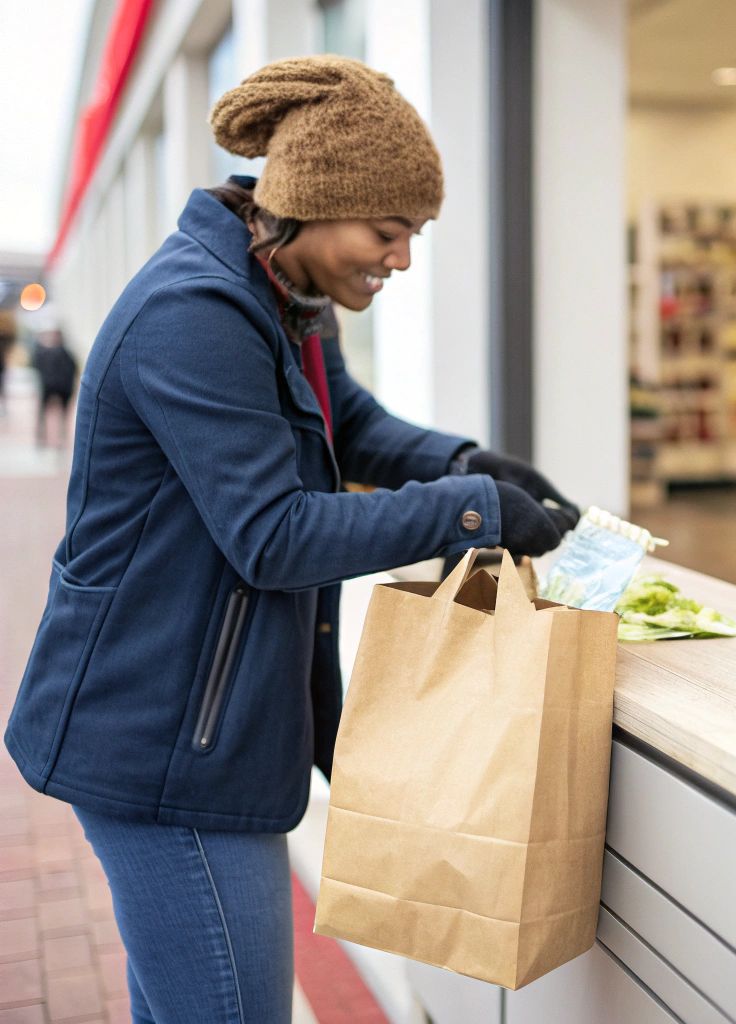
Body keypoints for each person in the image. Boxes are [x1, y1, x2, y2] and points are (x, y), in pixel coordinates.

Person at [3, 56, 579, 1023]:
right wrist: (472, 511)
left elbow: (350, 428)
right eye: (387, 231)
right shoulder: (194, 313)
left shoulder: (286, 299)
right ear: (311, 205)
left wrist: (470, 461)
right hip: (158, 742)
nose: (400, 259)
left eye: (415, 236)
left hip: (202, 726)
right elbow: (271, 535)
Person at [31, 328, 76, 447]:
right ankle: (51, 436)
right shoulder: (66, 353)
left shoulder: (46, 352)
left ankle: (44, 437)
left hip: (53, 386)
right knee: (61, 414)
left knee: (47, 413)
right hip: (59, 387)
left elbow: (36, 363)